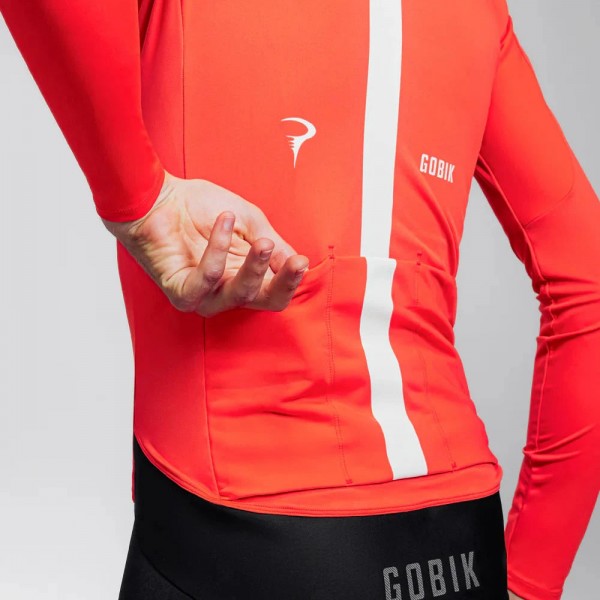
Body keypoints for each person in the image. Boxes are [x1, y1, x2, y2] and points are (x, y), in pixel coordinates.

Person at [1, 1, 598, 598]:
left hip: (248, 532)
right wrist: (529, 576)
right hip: (462, 538)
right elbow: (587, 276)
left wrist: (138, 201)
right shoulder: (476, 13)